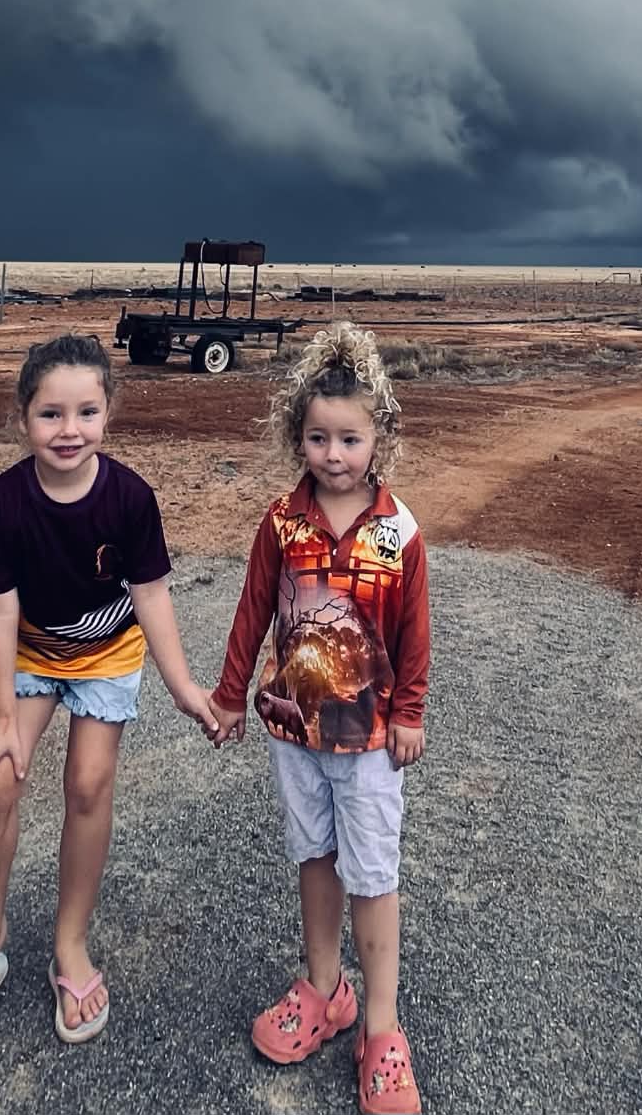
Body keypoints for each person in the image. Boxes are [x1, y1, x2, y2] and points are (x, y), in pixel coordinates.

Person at [0, 333, 222, 1062]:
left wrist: (184, 687)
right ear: (23, 418)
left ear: (109, 412)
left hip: (108, 653)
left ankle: (71, 945)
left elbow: (150, 597)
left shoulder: (130, 498)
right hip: (29, 655)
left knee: (87, 784)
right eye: (51, 414)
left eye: (86, 412)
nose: (69, 430)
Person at [210, 321, 430, 1115]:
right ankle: (324, 988)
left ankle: (380, 1027)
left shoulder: (399, 534)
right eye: (317, 437)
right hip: (295, 732)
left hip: (370, 740)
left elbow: (415, 633)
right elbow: (251, 612)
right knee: (315, 855)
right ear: (295, 437)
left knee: (373, 872)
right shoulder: (281, 524)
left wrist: (409, 711)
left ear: (380, 439)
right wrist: (231, 695)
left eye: (349, 438)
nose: (333, 454)